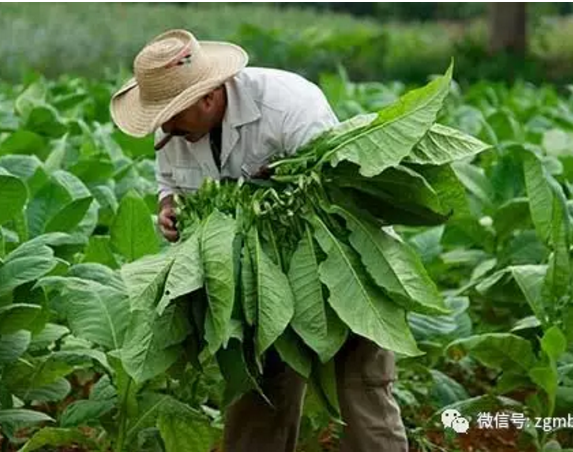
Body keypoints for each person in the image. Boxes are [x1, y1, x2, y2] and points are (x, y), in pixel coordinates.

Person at [110, 29, 409, 452]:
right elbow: (170, 184)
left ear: (208, 98)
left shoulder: (289, 105)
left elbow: (336, 195)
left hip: (346, 265)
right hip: (259, 280)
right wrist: (169, 209)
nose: (166, 128)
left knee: (364, 391)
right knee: (258, 398)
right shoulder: (175, 130)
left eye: (173, 116)